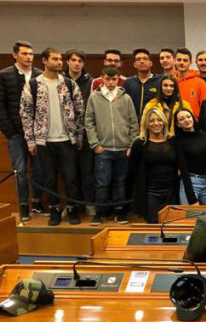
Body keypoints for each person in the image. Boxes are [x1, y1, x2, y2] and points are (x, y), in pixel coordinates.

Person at [20, 47, 85, 226]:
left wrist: (78, 135)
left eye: (60, 59)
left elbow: (80, 110)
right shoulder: (33, 85)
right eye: (55, 59)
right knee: (49, 180)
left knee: (71, 179)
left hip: (67, 140)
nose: (59, 62)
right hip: (44, 142)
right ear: (44, 61)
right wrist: (30, 140)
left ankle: (72, 210)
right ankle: (54, 211)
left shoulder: (69, 84)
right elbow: (25, 114)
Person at [85, 66, 138, 225]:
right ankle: (100, 212)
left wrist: (131, 144)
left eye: (114, 79)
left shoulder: (125, 98)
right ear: (102, 78)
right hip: (104, 149)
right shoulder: (94, 97)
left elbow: (133, 122)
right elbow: (89, 122)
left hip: (123, 148)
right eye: (107, 79)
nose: (110, 82)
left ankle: (119, 211)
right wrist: (95, 144)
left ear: (118, 79)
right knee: (102, 183)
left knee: (120, 182)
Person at [128, 107, 197, 223]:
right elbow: (132, 170)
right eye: (152, 121)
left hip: (172, 194)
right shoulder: (139, 144)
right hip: (150, 195)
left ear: (164, 121)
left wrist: (192, 198)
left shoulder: (173, 141)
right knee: (154, 229)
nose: (156, 123)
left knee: (172, 228)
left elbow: (183, 170)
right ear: (146, 123)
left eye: (159, 120)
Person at [0, 40, 44, 219]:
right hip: (16, 133)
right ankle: (24, 205)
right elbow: (1, 106)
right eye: (25, 54)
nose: (29, 57)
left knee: (39, 170)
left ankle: (37, 202)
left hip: (37, 132)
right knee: (20, 170)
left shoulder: (39, 75)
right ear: (15, 55)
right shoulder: (4, 75)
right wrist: (9, 131)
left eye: (31, 54)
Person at [174, 108, 206, 205]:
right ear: (178, 124)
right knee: (190, 218)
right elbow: (184, 170)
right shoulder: (178, 141)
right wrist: (191, 198)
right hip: (191, 184)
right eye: (182, 119)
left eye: (188, 116)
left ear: (193, 118)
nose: (186, 120)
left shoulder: (204, 136)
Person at [123, 48, 163, 120]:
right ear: (134, 64)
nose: (142, 61)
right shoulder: (128, 82)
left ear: (151, 63)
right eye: (138, 59)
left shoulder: (160, 81)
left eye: (145, 59)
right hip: (134, 124)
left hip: (155, 123)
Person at [174, 48, 206, 119]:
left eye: (185, 60)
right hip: (172, 126)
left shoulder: (200, 83)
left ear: (190, 63)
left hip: (193, 126)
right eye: (179, 60)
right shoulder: (170, 82)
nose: (182, 62)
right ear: (175, 61)